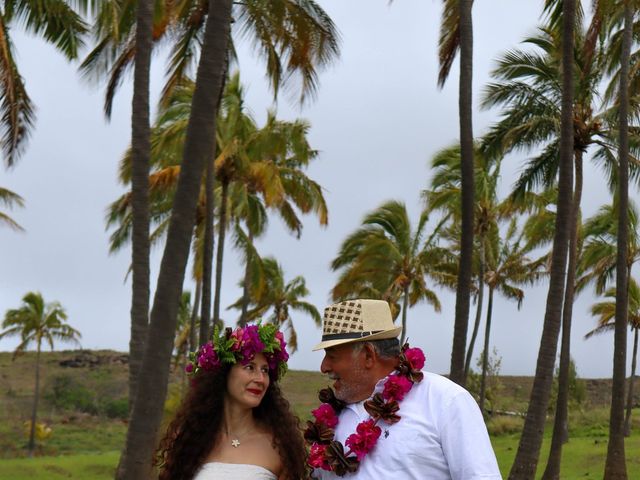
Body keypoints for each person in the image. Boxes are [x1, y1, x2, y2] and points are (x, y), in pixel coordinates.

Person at [305, 299, 502, 479]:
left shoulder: (445, 400)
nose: (324, 367)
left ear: (368, 355)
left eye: (332, 355)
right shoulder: (328, 424)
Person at [156, 323, 307, 480]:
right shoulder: (188, 440)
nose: (260, 379)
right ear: (224, 373)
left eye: (265, 370)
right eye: (250, 367)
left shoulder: (280, 446)